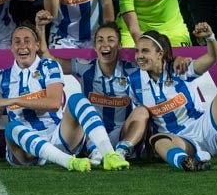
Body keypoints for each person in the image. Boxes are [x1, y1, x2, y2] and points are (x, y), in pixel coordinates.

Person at [0, 25, 130, 171]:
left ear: (36, 45)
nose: (22, 46)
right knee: (12, 127)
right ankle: (70, 163)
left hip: (58, 137)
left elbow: (54, 103)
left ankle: (109, 154)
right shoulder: (3, 78)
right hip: (26, 151)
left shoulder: (49, 66)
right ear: (11, 47)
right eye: (17, 42)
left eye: (27, 41)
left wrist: (14, 100)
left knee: (77, 98)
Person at [129, 24, 217, 170]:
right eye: (137, 51)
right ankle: (189, 162)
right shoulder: (134, 82)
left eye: (145, 51)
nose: (139, 56)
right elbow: (143, 120)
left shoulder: (179, 68)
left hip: (205, 128)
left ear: (160, 54)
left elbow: (213, 57)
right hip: (180, 141)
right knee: (157, 139)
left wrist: (210, 38)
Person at [34, 16, 155, 164]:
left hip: (122, 133)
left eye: (111, 40)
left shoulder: (133, 70)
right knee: (80, 107)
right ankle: (95, 151)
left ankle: (121, 151)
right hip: (92, 134)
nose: (105, 44)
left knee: (142, 111)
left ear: (119, 45)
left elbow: (158, 64)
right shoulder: (85, 67)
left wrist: (181, 62)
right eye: (100, 40)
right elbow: (47, 58)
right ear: (95, 46)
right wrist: (40, 28)